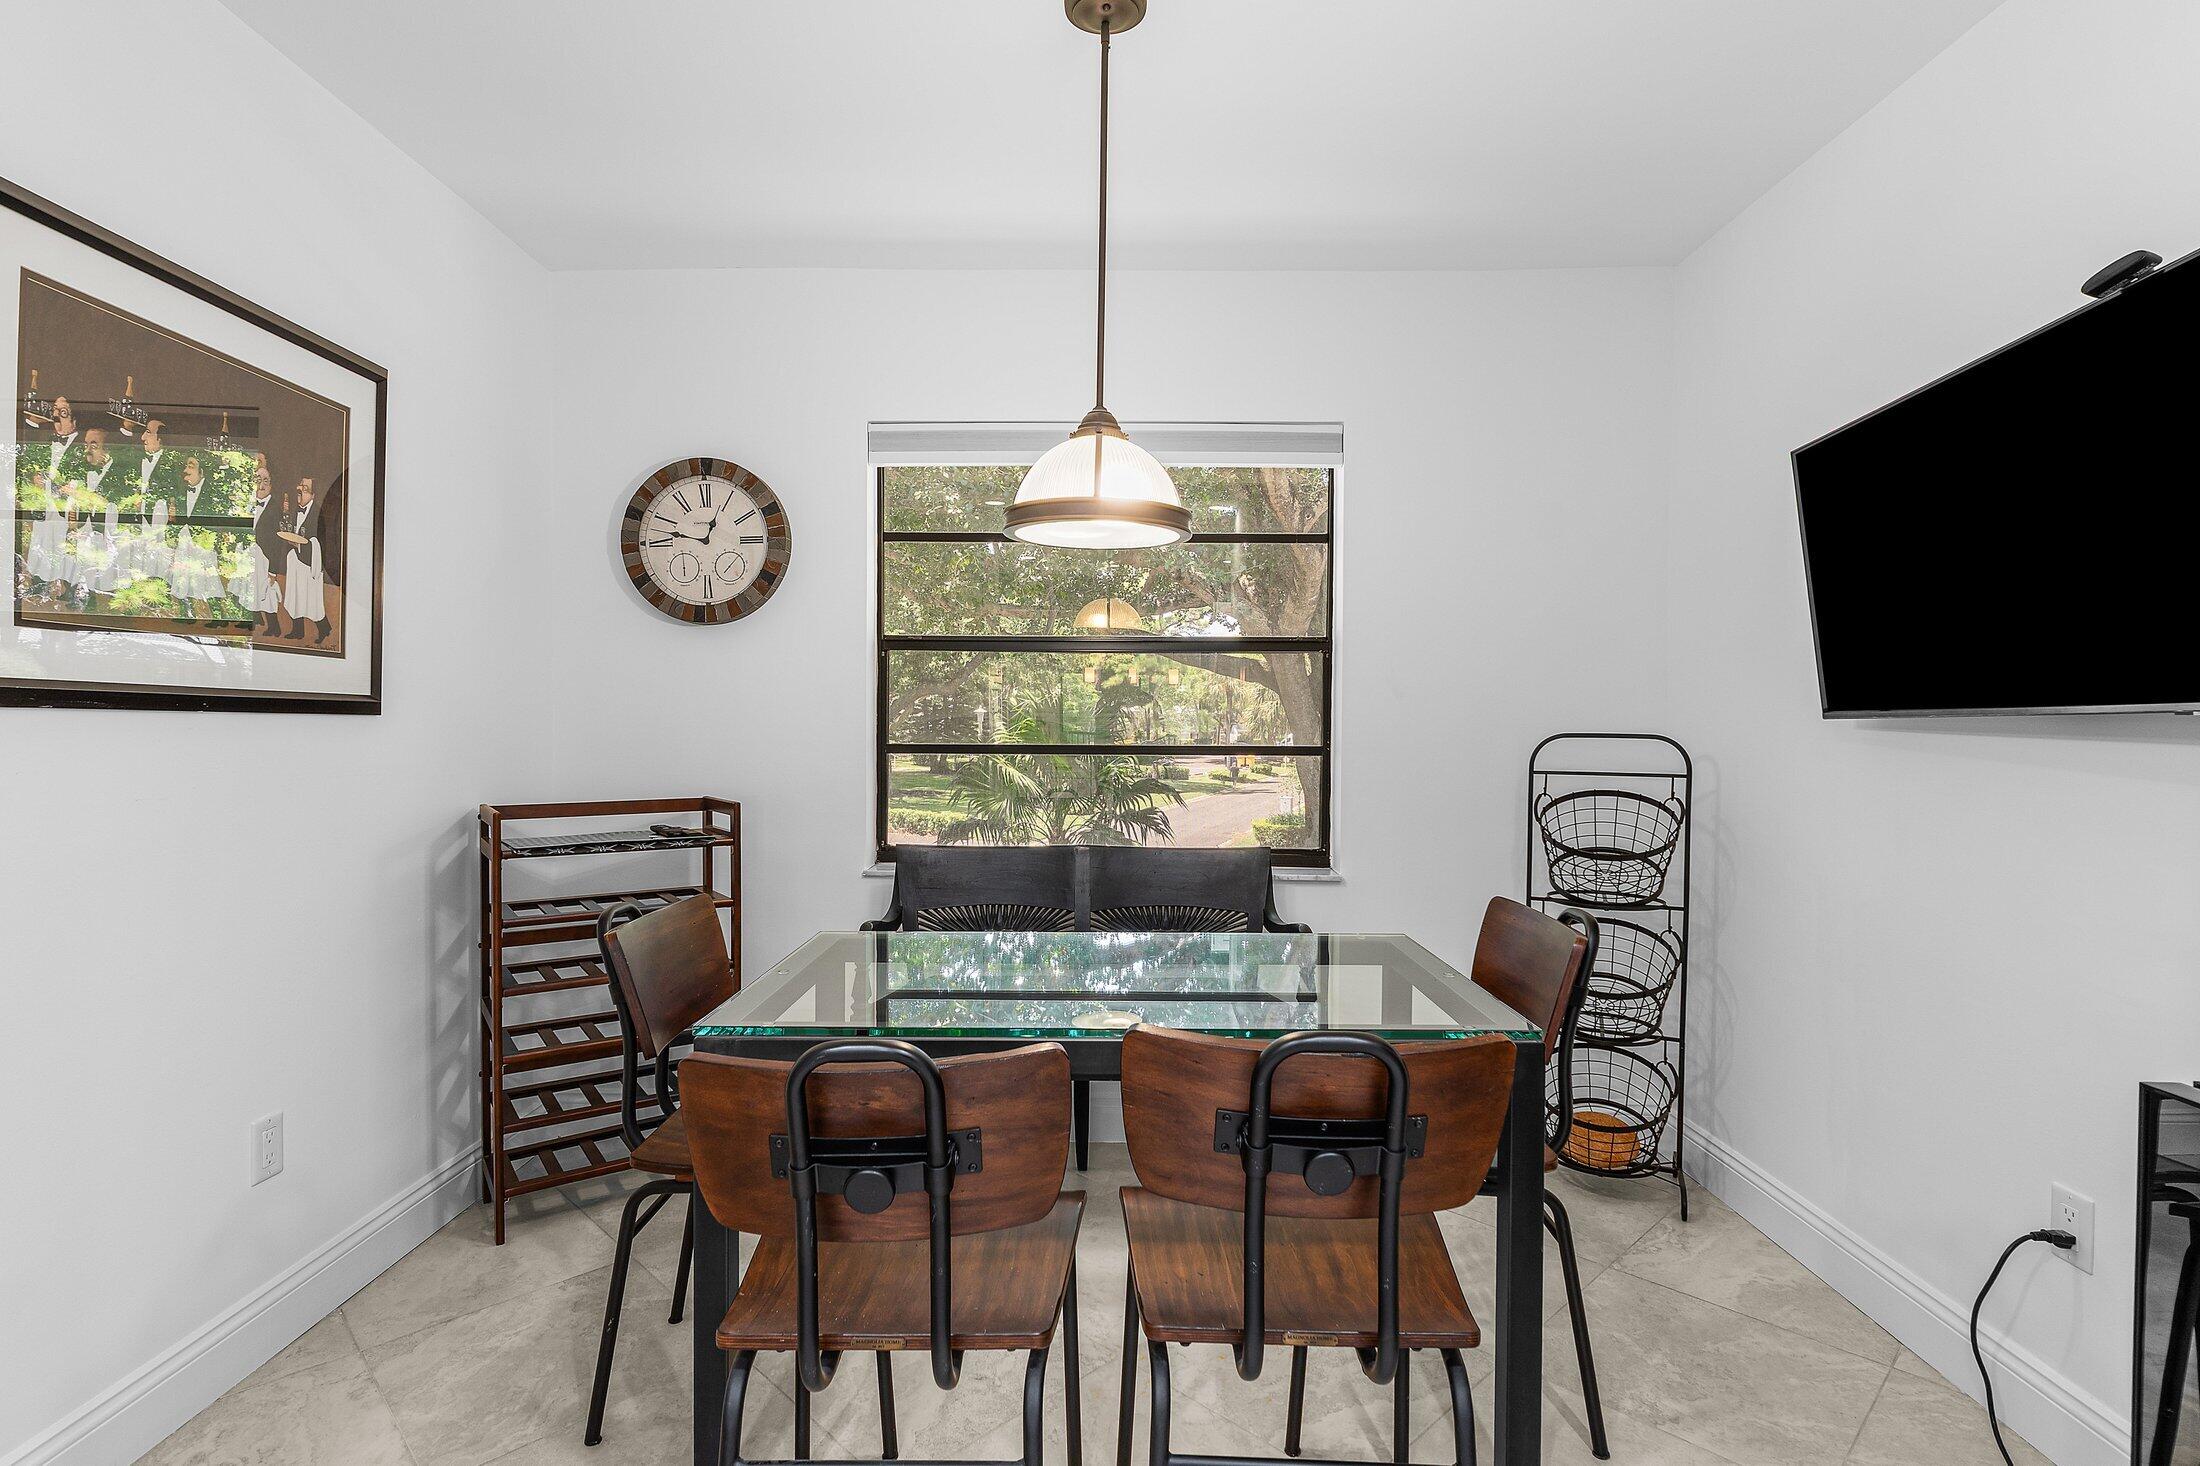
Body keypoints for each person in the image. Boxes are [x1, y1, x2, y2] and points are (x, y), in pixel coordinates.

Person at [166, 453, 225, 609]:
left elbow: (218, 523)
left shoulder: (213, 492)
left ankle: (217, 620)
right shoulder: (181, 491)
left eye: (191, 466)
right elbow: (175, 519)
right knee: (181, 581)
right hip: (183, 543)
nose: (186, 469)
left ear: (202, 472)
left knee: (208, 584)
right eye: (186, 466)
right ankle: (186, 617)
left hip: (203, 546)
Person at [278, 476, 329, 644]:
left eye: (305, 489)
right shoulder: (294, 510)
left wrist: (300, 545)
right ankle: (297, 630)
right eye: (300, 486)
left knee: (312, 600)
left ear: (313, 495)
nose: (300, 490)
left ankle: (324, 628)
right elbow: (289, 530)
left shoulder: (318, 514)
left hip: (310, 565)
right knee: (295, 596)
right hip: (295, 562)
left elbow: (320, 542)